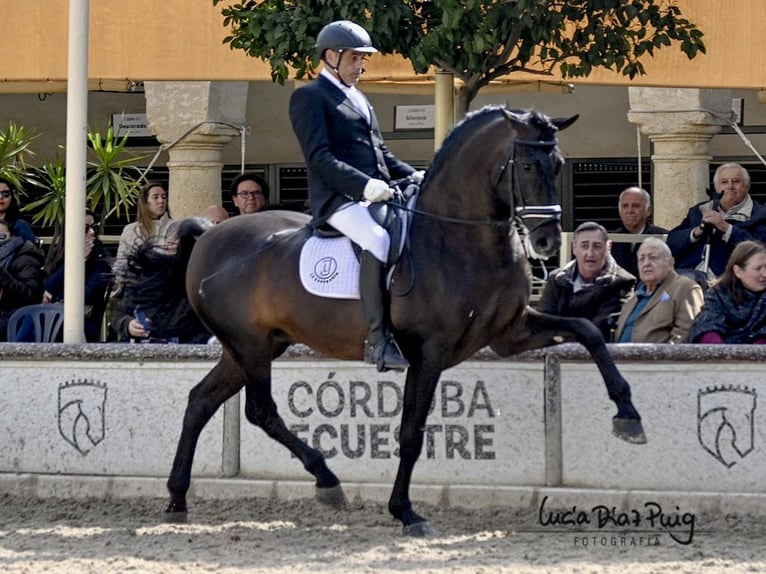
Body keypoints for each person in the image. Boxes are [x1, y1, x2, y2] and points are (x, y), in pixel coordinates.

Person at [288, 20, 424, 372]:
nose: (361, 67)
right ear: (331, 56)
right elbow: (320, 158)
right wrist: (364, 186)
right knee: (378, 240)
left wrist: (415, 175)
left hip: (374, 194)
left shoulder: (358, 97)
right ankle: (378, 341)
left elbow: (382, 154)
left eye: (363, 59)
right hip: (338, 201)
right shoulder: (309, 96)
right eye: (354, 59)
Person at [110, 218, 211, 344]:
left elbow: (207, 329)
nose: (168, 243)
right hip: (142, 351)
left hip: (183, 352)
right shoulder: (146, 275)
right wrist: (129, 325)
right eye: (169, 238)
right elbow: (119, 313)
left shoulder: (199, 287)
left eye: (175, 241)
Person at [537, 221, 636, 340]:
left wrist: (560, 335)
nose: (590, 253)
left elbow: (599, 329)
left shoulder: (622, 282)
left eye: (597, 246)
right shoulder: (557, 278)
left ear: (608, 248)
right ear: (574, 248)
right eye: (584, 246)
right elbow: (542, 321)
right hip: (557, 353)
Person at [666, 163, 766, 278]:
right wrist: (697, 231)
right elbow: (671, 242)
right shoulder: (699, 210)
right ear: (717, 188)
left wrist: (726, 228)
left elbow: (760, 247)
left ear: (747, 187)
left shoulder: (760, 214)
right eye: (724, 182)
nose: (730, 186)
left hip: (730, 280)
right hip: (688, 275)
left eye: (736, 181)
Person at [41, 208, 113, 342]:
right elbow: (48, 285)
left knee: (54, 327)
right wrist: (76, 259)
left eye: (94, 228)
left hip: (84, 319)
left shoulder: (101, 258)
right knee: (29, 321)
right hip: (56, 314)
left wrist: (58, 295)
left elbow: (87, 295)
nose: (91, 232)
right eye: (85, 228)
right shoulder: (60, 253)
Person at [614, 237, 703, 343]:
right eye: (642, 259)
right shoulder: (633, 298)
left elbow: (684, 337)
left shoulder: (685, 288)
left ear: (670, 262)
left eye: (653, 258)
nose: (646, 263)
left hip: (656, 358)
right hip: (620, 357)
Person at [688, 240, 766, 344]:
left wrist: (754, 353)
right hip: (721, 355)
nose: (764, 274)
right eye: (758, 269)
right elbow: (706, 326)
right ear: (738, 271)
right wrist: (722, 353)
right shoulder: (718, 294)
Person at [114, 181, 177, 279]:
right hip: (135, 285)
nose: (161, 201)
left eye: (164, 197)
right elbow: (121, 262)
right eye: (155, 197)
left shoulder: (176, 227)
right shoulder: (130, 230)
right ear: (145, 202)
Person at [0, 218, 45, 340]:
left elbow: (30, 295)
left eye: (1, 236)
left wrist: (3, 276)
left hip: (17, 318)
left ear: (12, 236)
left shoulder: (25, 257)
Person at [610, 187, 668, 278]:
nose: (630, 211)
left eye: (636, 206)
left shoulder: (664, 238)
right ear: (620, 212)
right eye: (625, 206)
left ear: (648, 211)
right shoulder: (611, 241)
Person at [0, 177, 37, 244]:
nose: (1, 197)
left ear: (12, 197)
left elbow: (30, 251)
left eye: (5, 193)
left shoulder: (21, 225)